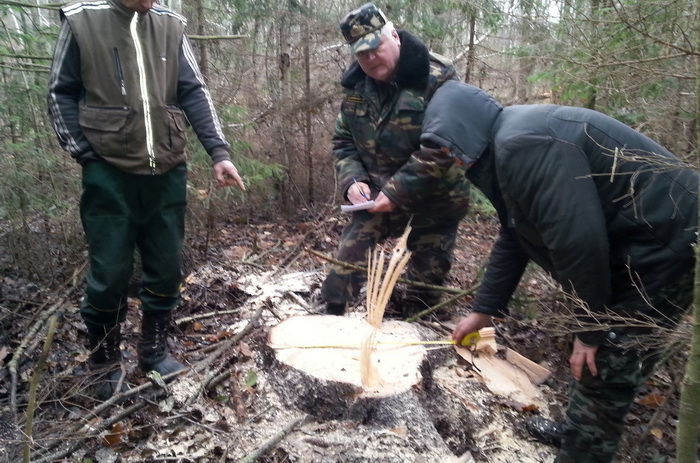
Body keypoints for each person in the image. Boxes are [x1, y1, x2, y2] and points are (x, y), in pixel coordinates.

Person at [418, 80, 698, 462]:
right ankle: (577, 430)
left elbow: (578, 240)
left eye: (449, 146)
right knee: (593, 353)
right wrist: (483, 309)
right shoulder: (505, 147)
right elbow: (515, 233)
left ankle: (583, 450)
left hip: (669, 246)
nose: (450, 158)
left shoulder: (522, 145)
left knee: (606, 361)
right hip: (641, 246)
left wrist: (591, 328)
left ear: (465, 131)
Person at [47, 0, 245, 399]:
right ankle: (103, 360)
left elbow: (193, 90)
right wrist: (84, 152)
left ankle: (153, 351)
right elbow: (60, 92)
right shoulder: (84, 20)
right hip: (109, 171)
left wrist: (219, 153)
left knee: (166, 264)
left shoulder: (170, 25)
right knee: (109, 270)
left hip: (168, 170)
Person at [321, 3, 470, 317]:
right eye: (362, 54)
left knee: (425, 291)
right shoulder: (356, 89)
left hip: (437, 198)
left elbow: (443, 146)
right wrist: (353, 181)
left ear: (395, 38)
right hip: (377, 195)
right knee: (346, 261)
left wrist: (397, 191)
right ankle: (331, 318)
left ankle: (419, 321)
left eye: (376, 47)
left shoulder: (437, 77)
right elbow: (344, 141)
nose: (371, 58)